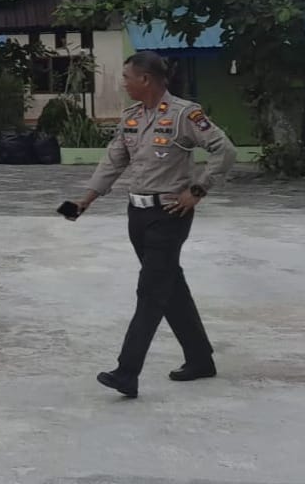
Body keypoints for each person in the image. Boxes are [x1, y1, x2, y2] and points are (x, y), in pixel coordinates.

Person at [73, 51, 236, 399]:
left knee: (150, 292)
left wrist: (197, 189)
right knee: (169, 286)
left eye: (127, 77)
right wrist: (85, 199)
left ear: (145, 79)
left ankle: (126, 372)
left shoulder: (184, 114)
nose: (124, 84)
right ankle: (200, 358)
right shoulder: (132, 116)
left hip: (170, 214)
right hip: (138, 215)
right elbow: (114, 159)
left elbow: (225, 151)